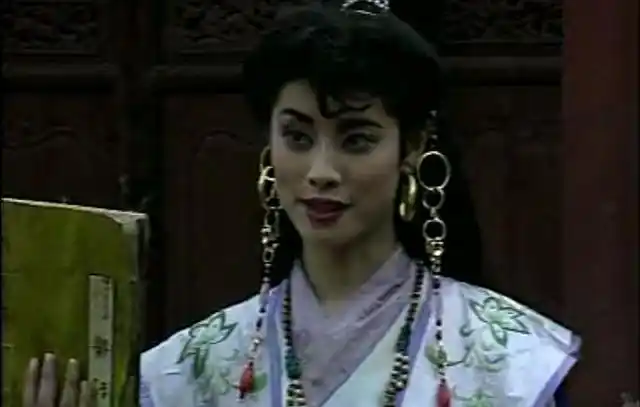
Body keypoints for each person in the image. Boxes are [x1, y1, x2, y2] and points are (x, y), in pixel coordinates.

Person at [22, 1, 580, 406]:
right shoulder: (190, 371)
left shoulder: (510, 360)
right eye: (297, 136)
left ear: (410, 148)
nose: (320, 172)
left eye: (356, 139)